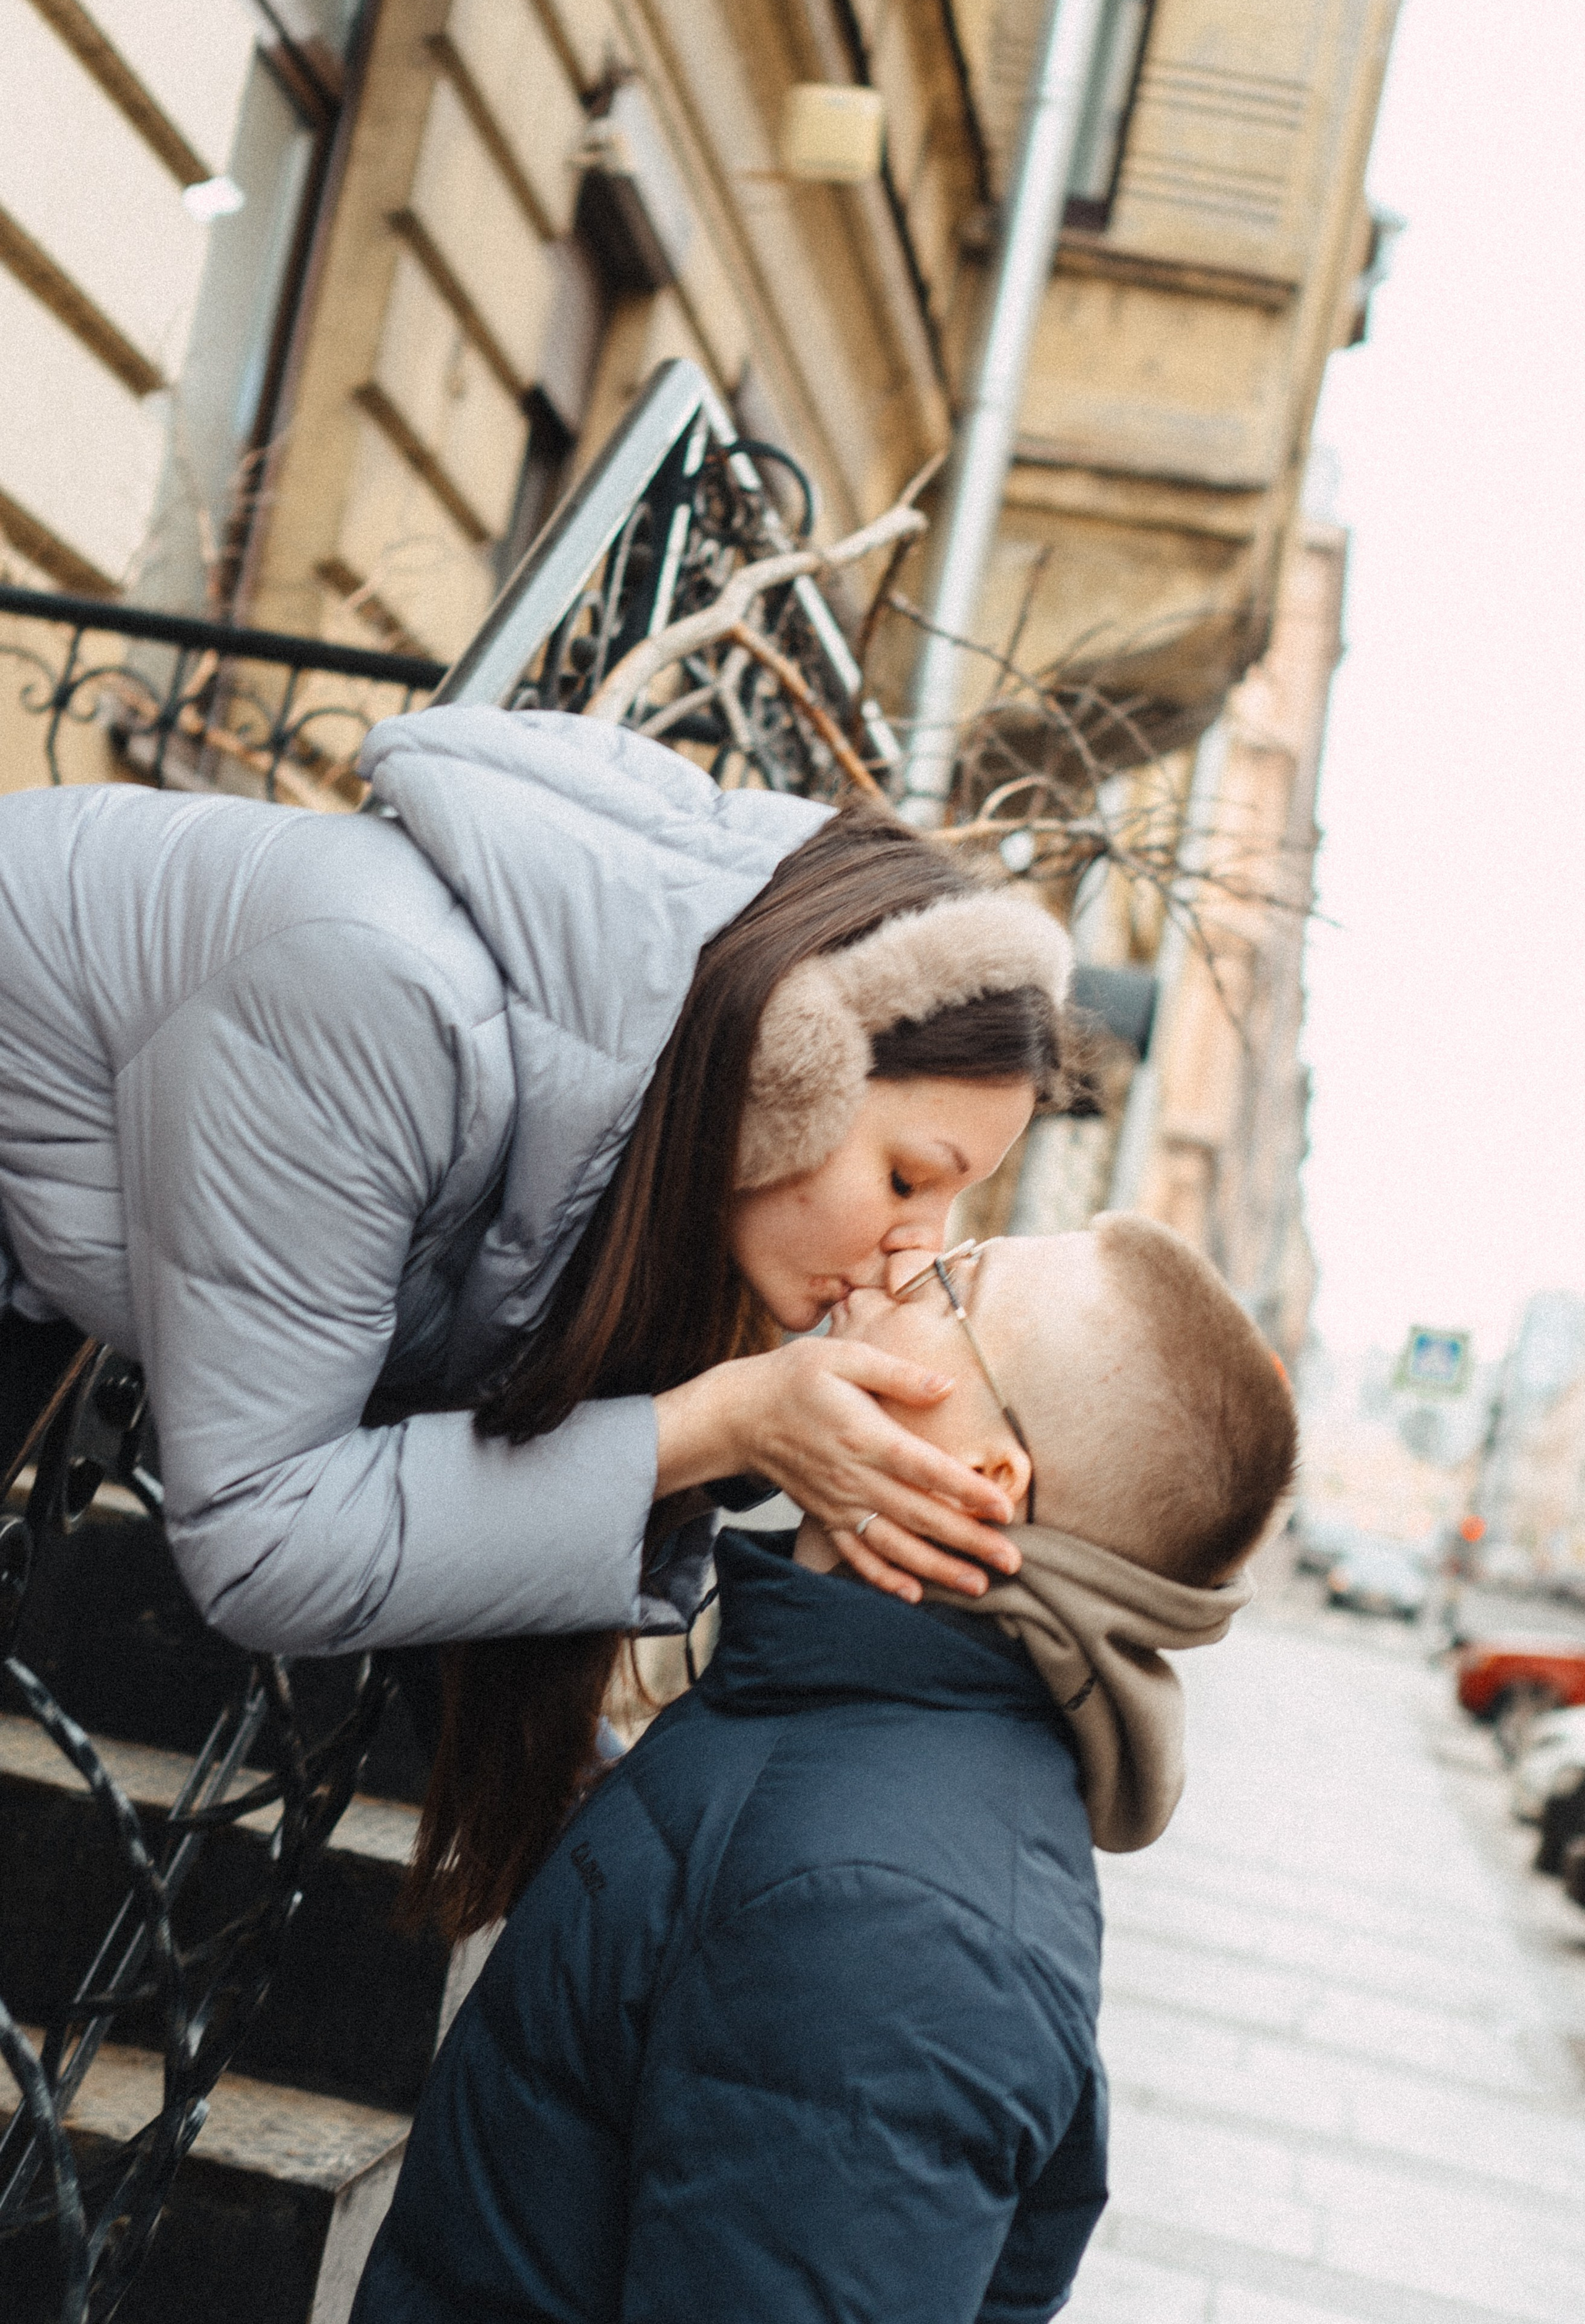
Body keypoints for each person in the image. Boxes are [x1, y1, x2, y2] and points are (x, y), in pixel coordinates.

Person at [352, 1216, 1298, 2324]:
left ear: (981, 1478)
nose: (903, 1259)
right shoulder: (833, 1731)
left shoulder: (893, 1924)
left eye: (955, 1281)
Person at [0, 709, 1072, 1673]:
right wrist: (718, 1424)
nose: (915, 1247)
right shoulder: (384, 1004)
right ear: (789, 1067)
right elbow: (262, 1537)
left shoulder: (610, 1116)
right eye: (906, 1179)